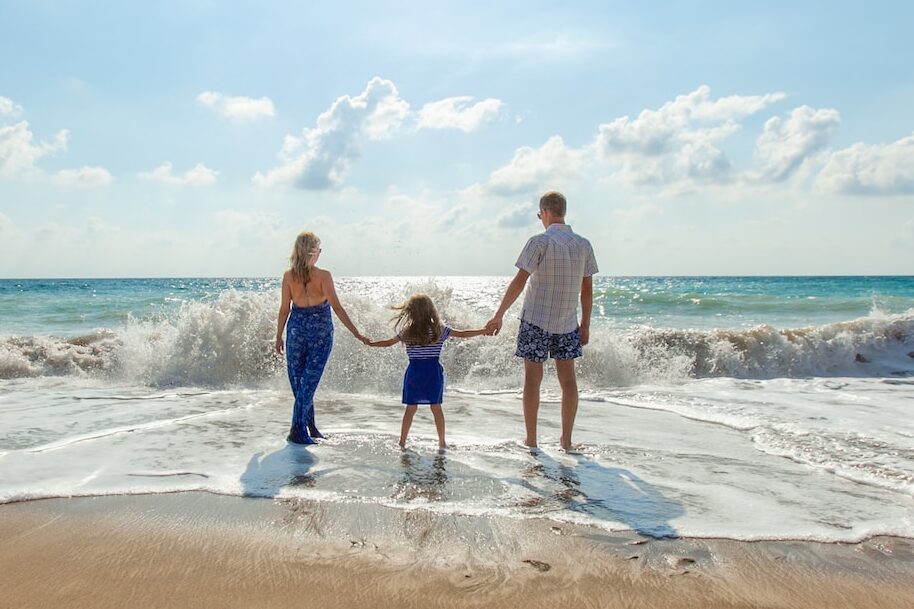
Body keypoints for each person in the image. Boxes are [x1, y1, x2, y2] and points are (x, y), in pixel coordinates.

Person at [485, 191, 598, 450]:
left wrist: (499, 314)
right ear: (563, 212)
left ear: (545, 212)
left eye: (539, 215)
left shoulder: (539, 242)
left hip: (535, 320)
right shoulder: (584, 245)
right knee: (568, 381)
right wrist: (586, 324)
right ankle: (566, 441)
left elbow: (519, 282)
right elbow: (587, 291)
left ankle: (532, 440)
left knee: (532, 380)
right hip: (568, 323)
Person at [275, 231, 367, 445]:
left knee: (302, 383)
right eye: (319, 249)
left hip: (296, 330)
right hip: (320, 332)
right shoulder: (323, 275)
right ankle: (297, 430)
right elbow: (336, 307)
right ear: (313, 252)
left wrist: (278, 335)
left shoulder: (289, 276)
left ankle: (310, 427)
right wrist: (356, 333)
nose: (320, 253)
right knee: (306, 383)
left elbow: (284, 310)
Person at [367, 294, 487, 450]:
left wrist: (371, 343)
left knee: (411, 408)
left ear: (411, 312)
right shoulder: (439, 330)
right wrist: (483, 331)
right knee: (436, 407)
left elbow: (388, 343)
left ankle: (402, 442)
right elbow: (463, 334)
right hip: (432, 373)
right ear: (431, 311)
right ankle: (442, 442)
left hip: (414, 373)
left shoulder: (407, 332)